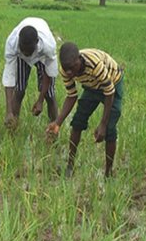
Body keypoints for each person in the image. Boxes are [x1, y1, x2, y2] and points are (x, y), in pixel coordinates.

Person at [46, 42, 124, 177]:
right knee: (77, 122)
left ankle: (108, 172)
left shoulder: (94, 65)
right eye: (66, 68)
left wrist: (103, 125)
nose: (69, 72)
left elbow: (109, 92)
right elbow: (71, 96)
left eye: (72, 68)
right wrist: (57, 123)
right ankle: (70, 166)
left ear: (79, 60)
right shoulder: (65, 70)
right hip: (91, 86)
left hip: (113, 84)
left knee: (110, 130)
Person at [2, 17, 58, 128]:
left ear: (37, 43)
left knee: (50, 94)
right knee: (19, 90)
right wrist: (9, 111)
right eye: (24, 50)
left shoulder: (48, 46)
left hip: (41, 56)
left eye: (29, 50)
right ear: (19, 43)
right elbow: (9, 76)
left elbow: (49, 73)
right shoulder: (12, 44)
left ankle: (54, 128)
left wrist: (40, 100)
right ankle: (12, 124)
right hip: (20, 58)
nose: (27, 53)